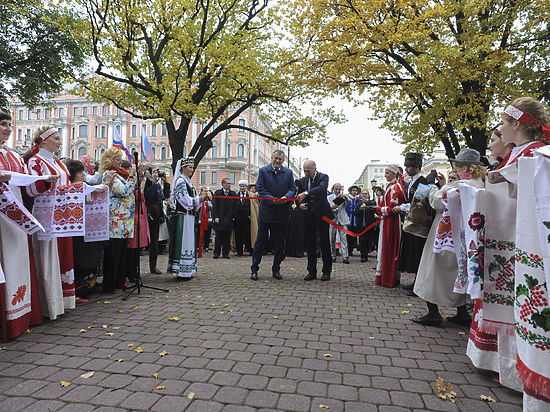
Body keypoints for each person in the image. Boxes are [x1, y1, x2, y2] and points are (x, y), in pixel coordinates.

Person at [413, 148, 486, 326]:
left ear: (466, 168)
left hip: (445, 235)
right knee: (458, 273)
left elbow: (438, 201)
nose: (456, 170)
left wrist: (431, 188)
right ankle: (462, 313)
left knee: (433, 272)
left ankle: (433, 313)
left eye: (459, 167)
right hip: (466, 236)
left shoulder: (459, 185)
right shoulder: (481, 184)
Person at [0, 111, 45, 340]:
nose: (8, 128)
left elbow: (28, 186)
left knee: (19, 261)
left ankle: (24, 314)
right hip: (2, 215)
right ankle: (8, 318)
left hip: (17, 213)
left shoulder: (15, 156)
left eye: (10, 124)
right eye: (3, 124)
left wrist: (43, 182)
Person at [27, 126, 76, 319]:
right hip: (45, 214)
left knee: (62, 255)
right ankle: (48, 303)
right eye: (56, 138)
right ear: (44, 140)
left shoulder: (57, 162)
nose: (60, 142)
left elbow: (66, 186)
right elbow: (31, 188)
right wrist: (48, 182)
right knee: (48, 256)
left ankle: (62, 301)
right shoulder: (35, 161)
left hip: (63, 216)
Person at [250, 150, 296, 280]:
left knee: (279, 244)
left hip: (282, 213)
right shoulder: (263, 171)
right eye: (276, 158)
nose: (277, 161)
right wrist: (272, 199)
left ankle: (276, 269)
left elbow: (293, 188)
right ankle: (254, 269)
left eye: (280, 159)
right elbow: (260, 188)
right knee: (260, 242)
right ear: (272, 158)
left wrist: (286, 197)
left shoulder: (288, 173)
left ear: (283, 160)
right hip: (267, 212)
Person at [64, 159, 105, 302]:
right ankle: (77, 290)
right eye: (80, 172)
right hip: (74, 230)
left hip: (84, 229)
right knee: (78, 257)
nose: (83, 175)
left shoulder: (83, 186)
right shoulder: (68, 188)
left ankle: (85, 288)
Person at [100, 148, 136, 294]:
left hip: (123, 219)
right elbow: (124, 191)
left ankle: (119, 281)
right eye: (117, 159)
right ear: (110, 160)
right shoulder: (110, 175)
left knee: (121, 252)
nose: (120, 162)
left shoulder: (121, 175)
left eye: (120, 159)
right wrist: (132, 177)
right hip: (115, 219)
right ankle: (110, 284)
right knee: (114, 253)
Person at [394, 153, 429, 295]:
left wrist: (401, 208)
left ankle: (419, 284)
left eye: (409, 166)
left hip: (419, 225)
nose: (406, 169)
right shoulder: (412, 182)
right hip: (411, 223)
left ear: (416, 167)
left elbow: (419, 203)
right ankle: (415, 281)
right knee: (412, 254)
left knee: (418, 254)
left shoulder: (423, 182)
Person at [170, 157, 208, 280]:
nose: (192, 170)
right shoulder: (181, 181)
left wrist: (199, 200)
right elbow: (184, 200)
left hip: (189, 216)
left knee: (189, 243)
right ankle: (181, 272)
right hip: (183, 216)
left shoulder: (188, 181)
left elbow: (193, 199)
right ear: (183, 167)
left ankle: (187, 270)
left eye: (192, 167)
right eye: (190, 167)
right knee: (184, 242)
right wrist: (199, 199)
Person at [368, 166, 406, 288]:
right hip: (388, 221)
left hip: (392, 222)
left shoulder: (395, 187)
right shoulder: (391, 186)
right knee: (385, 247)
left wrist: (377, 209)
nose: (385, 175)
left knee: (389, 247)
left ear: (394, 174)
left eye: (387, 173)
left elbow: (392, 208)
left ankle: (388, 278)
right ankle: (384, 276)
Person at [296, 160, 333, 281]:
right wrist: (299, 204)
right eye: (304, 171)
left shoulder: (323, 177)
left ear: (314, 169)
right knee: (310, 244)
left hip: (322, 214)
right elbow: (298, 197)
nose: (306, 173)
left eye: (308, 171)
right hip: (308, 215)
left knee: (324, 243)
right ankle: (311, 271)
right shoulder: (302, 181)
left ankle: (326, 271)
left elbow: (321, 189)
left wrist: (306, 193)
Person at [144, 167, 165, 274]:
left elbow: (162, 197)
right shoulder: (147, 184)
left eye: (157, 172)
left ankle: (153, 265)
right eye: (154, 172)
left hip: (156, 214)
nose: (157, 174)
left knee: (154, 241)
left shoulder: (157, 184)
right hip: (148, 214)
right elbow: (152, 197)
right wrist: (156, 185)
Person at [212, 178, 237, 259]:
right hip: (219, 219)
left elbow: (236, 206)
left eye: (230, 183)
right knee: (218, 238)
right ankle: (216, 253)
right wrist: (215, 216)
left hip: (229, 219)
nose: (229, 185)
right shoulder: (218, 193)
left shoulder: (233, 194)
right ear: (222, 184)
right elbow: (214, 206)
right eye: (227, 183)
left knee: (227, 238)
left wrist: (233, 215)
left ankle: (226, 253)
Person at [327, 183, 350, 264]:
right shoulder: (328, 197)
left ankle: (345, 257)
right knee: (331, 239)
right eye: (336, 189)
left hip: (342, 220)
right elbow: (325, 208)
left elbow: (349, 202)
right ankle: (332, 256)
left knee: (344, 238)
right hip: (332, 219)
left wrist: (345, 197)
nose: (337, 191)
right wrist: (331, 207)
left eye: (339, 189)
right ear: (333, 189)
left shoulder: (343, 197)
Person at [345, 185, 364, 259]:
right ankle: (349, 250)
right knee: (349, 236)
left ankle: (357, 249)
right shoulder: (348, 199)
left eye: (356, 191)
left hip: (357, 219)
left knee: (357, 236)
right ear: (350, 191)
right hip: (349, 219)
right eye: (353, 190)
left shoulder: (359, 199)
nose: (354, 192)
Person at [234, 179, 252, 256]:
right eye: (241, 186)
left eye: (243, 186)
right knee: (238, 236)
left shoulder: (250, 195)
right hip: (238, 219)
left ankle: (250, 250)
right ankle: (239, 252)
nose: (242, 188)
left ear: (246, 187)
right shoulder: (235, 195)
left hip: (247, 219)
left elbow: (252, 207)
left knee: (248, 235)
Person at [248, 184, 259, 249]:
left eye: (254, 189)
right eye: (252, 188)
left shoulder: (256, 196)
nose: (253, 190)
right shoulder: (249, 195)